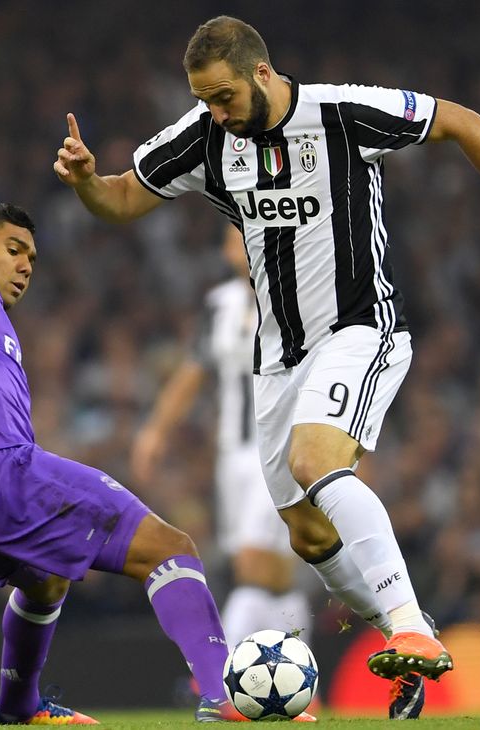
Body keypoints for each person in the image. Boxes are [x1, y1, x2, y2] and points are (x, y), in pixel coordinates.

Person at [55, 15, 480, 720]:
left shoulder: (340, 113)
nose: (215, 112)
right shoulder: (207, 138)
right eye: (203, 99)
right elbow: (122, 198)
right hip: (276, 359)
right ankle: (402, 639)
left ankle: (414, 630)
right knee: (306, 534)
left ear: (261, 74)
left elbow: (462, 121)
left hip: (359, 328)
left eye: (223, 96)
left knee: (314, 458)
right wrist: (89, 180)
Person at [0, 163, 315, 723]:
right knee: (170, 547)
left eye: (32, 259)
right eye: (14, 249)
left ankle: (17, 707)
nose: (24, 266)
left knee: (44, 581)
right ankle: (221, 693)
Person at [131, 223, 311, 650]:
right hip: (233, 453)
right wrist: (155, 432)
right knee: (272, 571)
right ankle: (300, 674)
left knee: (252, 561)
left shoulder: (298, 299)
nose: (237, 242)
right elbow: (192, 374)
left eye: (245, 234)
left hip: (280, 449)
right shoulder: (220, 305)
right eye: (232, 235)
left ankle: (221, 669)